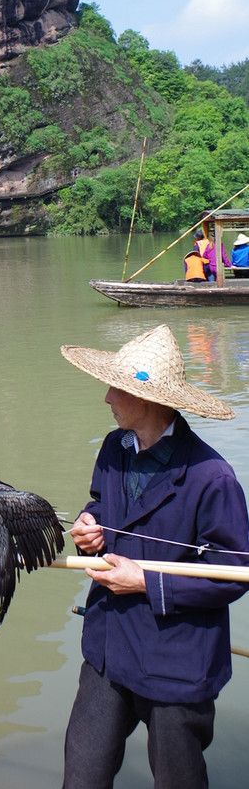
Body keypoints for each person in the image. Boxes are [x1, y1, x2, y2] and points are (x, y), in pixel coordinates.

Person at [59, 324, 249, 789]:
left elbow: (236, 572)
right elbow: (101, 506)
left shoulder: (212, 478)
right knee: (81, 776)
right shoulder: (113, 448)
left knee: (177, 780)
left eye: (114, 389)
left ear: (146, 399)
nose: (106, 398)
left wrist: (146, 581)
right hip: (107, 646)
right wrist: (89, 527)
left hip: (176, 661)